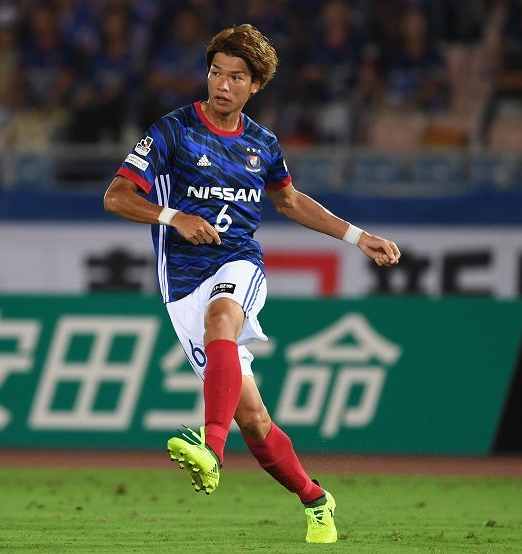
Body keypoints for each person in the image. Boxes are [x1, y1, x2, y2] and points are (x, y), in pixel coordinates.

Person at [103, 23, 401, 544]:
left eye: (236, 77)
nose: (222, 84)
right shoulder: (172, 131)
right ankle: (316, 499)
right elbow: (116, 196)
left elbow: (290, 202)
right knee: (256, 421)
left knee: (223, 315)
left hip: (238, 263)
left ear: (256, 85)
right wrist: (173, 217)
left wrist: (358, 237)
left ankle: (210, 449)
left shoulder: (262, 144)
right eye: (216, 72)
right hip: (181, 286)